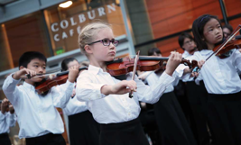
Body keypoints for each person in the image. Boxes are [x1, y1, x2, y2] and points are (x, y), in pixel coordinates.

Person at [75, 22, 183, 145]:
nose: (112, 46)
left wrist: (168, 71)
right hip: (112, 137)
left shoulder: (124, 71)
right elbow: (81, 92)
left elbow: (151, 96)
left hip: (137, 132)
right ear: (88, 48)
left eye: (113, 41)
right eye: (105, 41)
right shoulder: (87, 76)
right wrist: (111, 89)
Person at [2, 51, 79, 145]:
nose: (41, 70)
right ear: (23, 68)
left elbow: (61, 103)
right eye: (36, 66)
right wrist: (18, 74)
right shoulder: (18, 92)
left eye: (43, 67)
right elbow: (7, 87)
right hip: (34, 141)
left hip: (56, 139)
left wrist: (70, 81)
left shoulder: (48, 88)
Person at [191, 14, 241, 145]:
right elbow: (194, 73)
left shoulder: (232, 50)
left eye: (218, 27)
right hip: (217, 103)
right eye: (211, 29)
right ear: (202, 36)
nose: (218, 31)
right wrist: (196, 69)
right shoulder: (198, 56)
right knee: (226, 137)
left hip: (238, 98)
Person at [139, 48, 197, 145]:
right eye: (153, 56)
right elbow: (140, 85)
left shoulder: (169, 69)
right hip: (159, 103)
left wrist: (195, 67)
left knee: (179, 125)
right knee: (166, 128)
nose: (157, 57)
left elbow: (185, 71)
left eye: (158, 54)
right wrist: (145, 74)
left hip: (172, 100)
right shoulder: (147, 74)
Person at [176, 33, 210, 145]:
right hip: (193, 89)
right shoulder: (182, 58)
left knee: (212, 113)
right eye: (187, 42)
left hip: (206, 84)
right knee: (198, 117)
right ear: (182, 46)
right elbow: (181, 71)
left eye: (191, 40)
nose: (191, 43)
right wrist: (192, 67)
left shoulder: (201, 53)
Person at [61, 57, 100, 145]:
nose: (76, 70)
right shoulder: (63, 85)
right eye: (72, 68)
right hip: (76, 121)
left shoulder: (85, 80)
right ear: (65, 71)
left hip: (91, 116)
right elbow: (62, 103)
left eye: (77, 66)